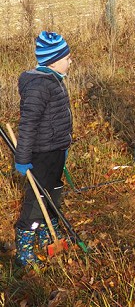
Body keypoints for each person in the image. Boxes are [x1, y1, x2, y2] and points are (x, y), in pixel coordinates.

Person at [13, 31, 73, 267]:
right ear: (54, 60)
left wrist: (64, 145)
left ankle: (48, 231)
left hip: (56, 149)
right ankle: (25, 244)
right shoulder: (39, 86)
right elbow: (28, 125)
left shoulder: (54, 79)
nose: (70, 61)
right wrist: (22, 158)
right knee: (36, 198)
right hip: (42, 153)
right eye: (67, 58)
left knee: (53, 190)